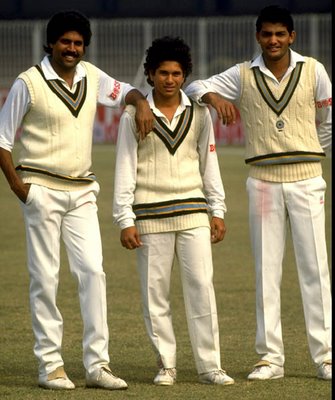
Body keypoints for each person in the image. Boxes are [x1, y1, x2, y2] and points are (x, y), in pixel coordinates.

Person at [0, 10, 154, 391]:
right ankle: (50, 365)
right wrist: (22, 190)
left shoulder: (92, 76)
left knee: (92, 272)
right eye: (65, 42)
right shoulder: (29, 83)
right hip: (41, 189)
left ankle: (97, 365)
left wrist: (142, 103)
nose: (72, 49)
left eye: (78, 43)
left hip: (83, 191)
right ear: (51, 43)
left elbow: (127, 92)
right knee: (45, 278)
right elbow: (2, 141)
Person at [185, 4, 332, 381]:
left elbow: (329, 126)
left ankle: (326, 356)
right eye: (266, 34)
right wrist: (214, 99)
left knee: (315, 269)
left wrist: (311, 156)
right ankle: (270, 358)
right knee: (266, 270)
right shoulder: (242, 74)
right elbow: (195, 85)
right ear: (258, 36)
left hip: (306, 178)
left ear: (292, 37)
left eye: (280, 34)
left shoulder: (314, 70)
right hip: (263, 180)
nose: (273, 40)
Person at [113, 36, 235, 386]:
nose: (170, 80)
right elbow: (125, 167)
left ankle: (210, 365)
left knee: (201, 287)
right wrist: (125, 219)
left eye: (177, 73)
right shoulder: (132, 115)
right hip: (149, 217)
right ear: (150, 75)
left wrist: (218, 209)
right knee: (156, 295)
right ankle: (166, 364)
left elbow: (209, 162)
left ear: (185, 75)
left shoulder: (198, 112)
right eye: (163, 73)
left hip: (193, 211)